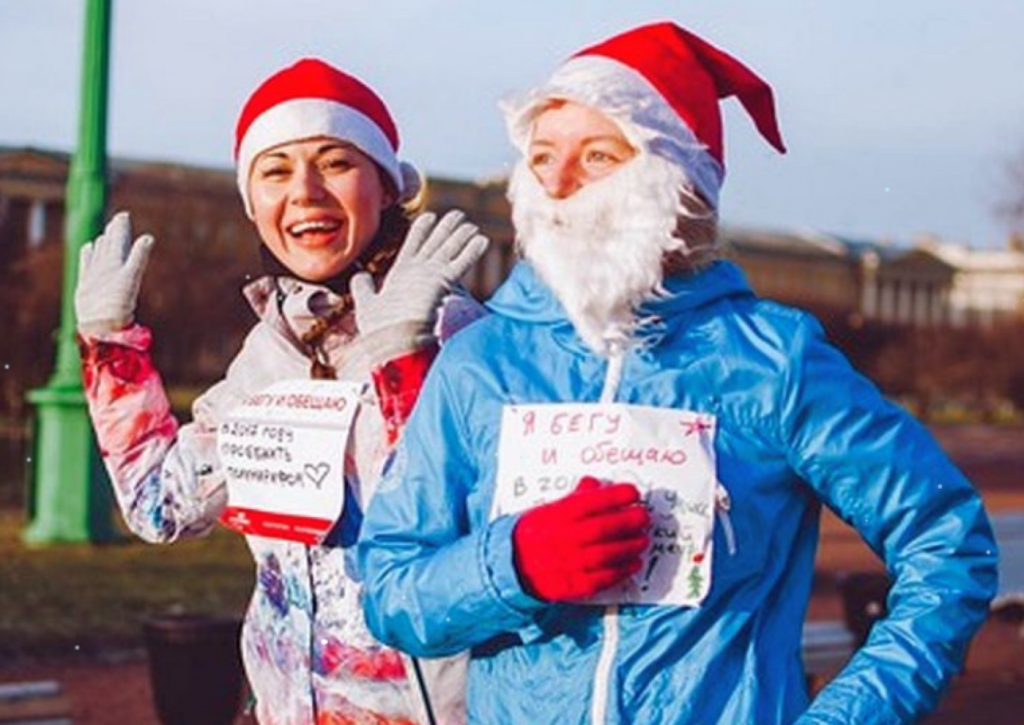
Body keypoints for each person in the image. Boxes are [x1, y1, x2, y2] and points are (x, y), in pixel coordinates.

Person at [357, 22, 999, 725]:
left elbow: (947, 544)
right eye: (541, 157)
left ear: (676, 182)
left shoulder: (769, 358)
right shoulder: (481, 363)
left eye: (597, 156)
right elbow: (390, 590)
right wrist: (513, 565)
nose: (559, 185)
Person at [74, 58, 487, 725]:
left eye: (334, 162)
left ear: (387, 188)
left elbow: (480, 520)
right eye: (275, 170)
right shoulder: (266, 354)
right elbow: (161, 506)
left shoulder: (456, 330)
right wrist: (110, 348)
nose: (305, 191)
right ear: (253, 205)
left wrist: (401, 361)